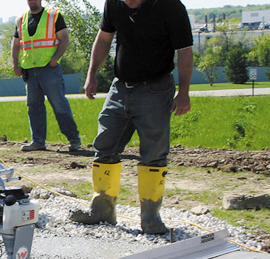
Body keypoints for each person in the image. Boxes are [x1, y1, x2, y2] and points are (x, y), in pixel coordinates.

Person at [70, 0, 193, 235]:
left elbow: (184, 52)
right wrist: (92, 74)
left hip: (155, 89)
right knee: (105, 145)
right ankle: (102, 210)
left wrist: (184, 92)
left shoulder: (170, 6)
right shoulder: (114, 3)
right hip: (120, 88)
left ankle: (150, 217)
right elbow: (104, 39)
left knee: (154, 154)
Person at [11, 0, 81, 153]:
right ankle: (37, 141)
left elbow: (64, 39)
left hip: (49, 70)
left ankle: (74, 140)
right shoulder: (21, 19)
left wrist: (55, 59)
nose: (32, 1)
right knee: (34, 107)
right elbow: (16, 44)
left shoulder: (54, 16)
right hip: (30, 70)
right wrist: (15, 65)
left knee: (59, 105)